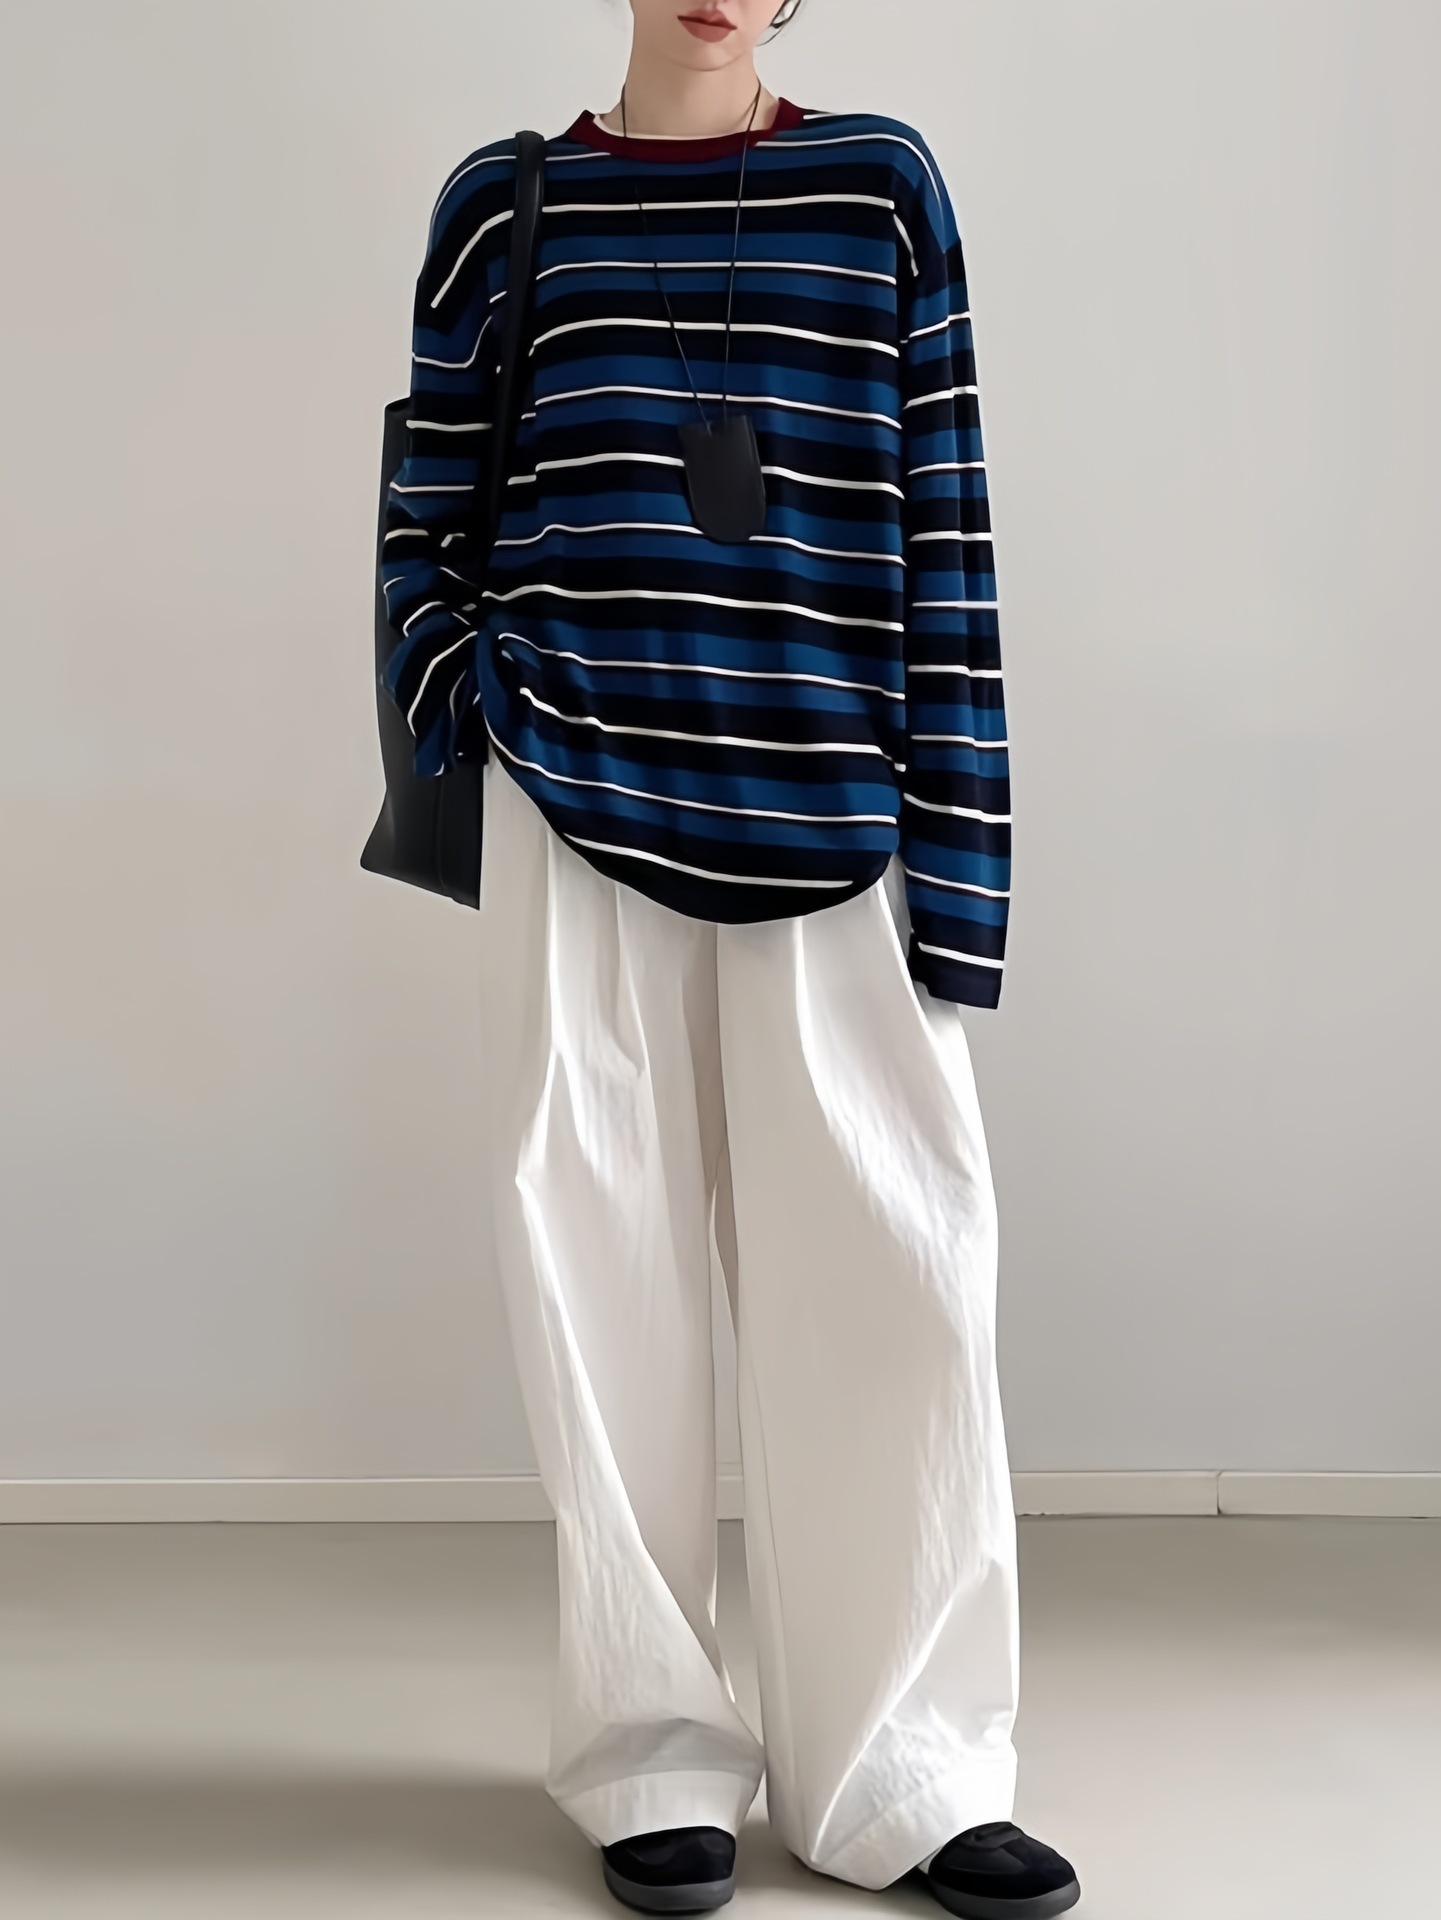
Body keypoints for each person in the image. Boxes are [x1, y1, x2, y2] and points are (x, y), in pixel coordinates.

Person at [378, 2, 1080, 1913]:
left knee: (900, 1289)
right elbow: (429, 508)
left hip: (838, 817)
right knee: (599, 1286)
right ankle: (648, 1755)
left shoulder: (877, 189)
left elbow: (945, 531)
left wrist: (964, 871)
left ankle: (908, 1772)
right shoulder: (500, 209)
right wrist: (471, 707)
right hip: (576, 800)